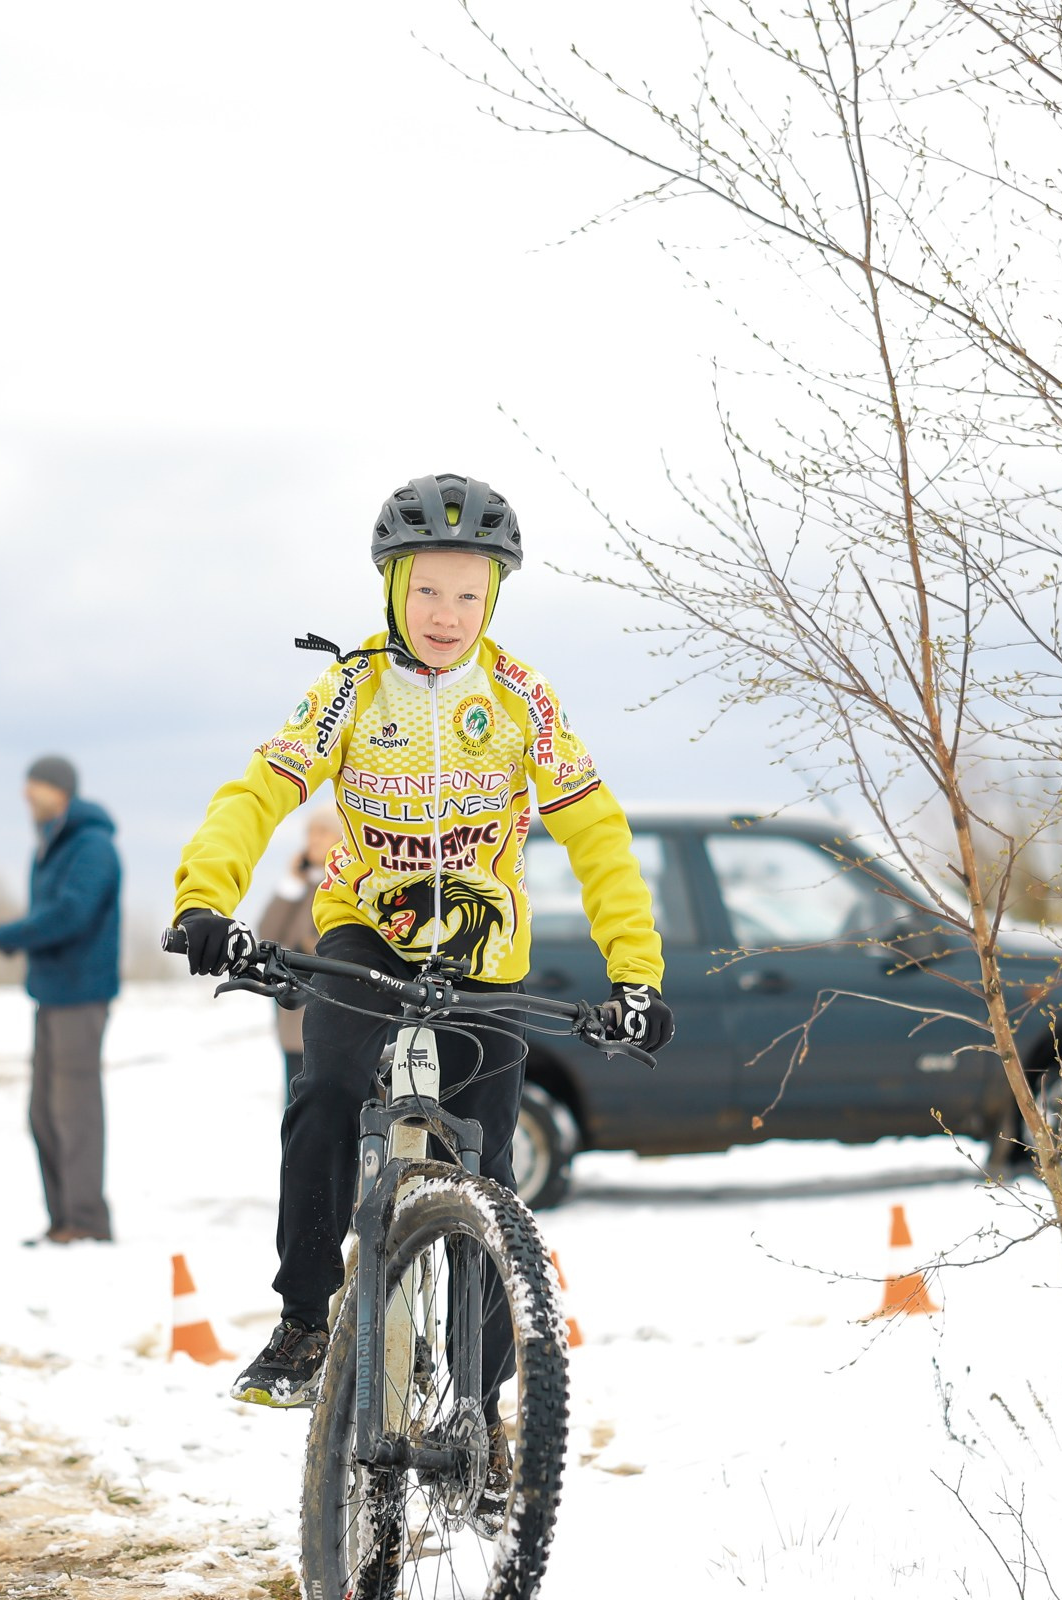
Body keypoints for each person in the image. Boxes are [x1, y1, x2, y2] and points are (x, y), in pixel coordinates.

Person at [168, 473, 675, 1417]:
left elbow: (599, 835)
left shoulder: (521, 699)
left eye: (470, 593)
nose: (448, 614)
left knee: (488, 1183)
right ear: (395, 586)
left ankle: (478, 1408)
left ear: (496, 597)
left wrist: (637, 974)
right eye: (430, 590)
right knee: (323, 1090)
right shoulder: (352, 689)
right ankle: (306, 1320)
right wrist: (206, 900)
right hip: (366, 928)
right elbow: (258, 792)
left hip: (486, 949)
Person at [0, 755, 122, 1245]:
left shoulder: (92, 847)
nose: (26, 793)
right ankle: (62, 1219)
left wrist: (2, 937)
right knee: (44, 1112)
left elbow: (70, 914)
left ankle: (87, 1221)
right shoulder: (52, 845)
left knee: (74, 1110)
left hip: (81, 993)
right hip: (51, 993)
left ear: (61, 790)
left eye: (35, 784)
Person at [252, 808, 341, 1101]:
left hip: (337, 1020)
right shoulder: (303, 886)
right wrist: (291, 882)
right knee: (297, 1105)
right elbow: (267, 933)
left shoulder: (344, 887)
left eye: (323, 832)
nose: (313, 840)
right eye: (310, 833)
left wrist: (307, 944)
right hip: (296, 1021)